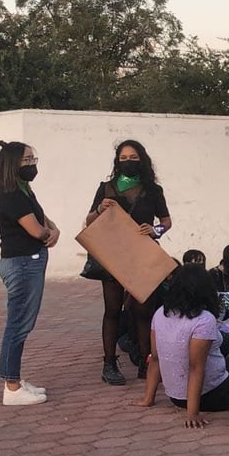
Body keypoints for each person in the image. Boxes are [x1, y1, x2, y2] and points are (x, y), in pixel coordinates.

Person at [86, 139, 171, 385]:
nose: (128, 162)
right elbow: (89, 221)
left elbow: (166, 221)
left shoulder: (153, 190)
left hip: (143, 254)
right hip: (112, 256)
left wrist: (155, 230)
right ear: (117, 161)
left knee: (143, 310)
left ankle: (146, 362)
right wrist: (100, 209)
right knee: (112, 309)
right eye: (123, 158)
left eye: (133, 157)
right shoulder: (106, 187)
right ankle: (110, 363)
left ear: (142, 159)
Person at [133, 265, 229, 428]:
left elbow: (155, 358)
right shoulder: (204, 320)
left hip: (175, 396)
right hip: (209, 394)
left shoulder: (161, 313)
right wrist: (192, 413)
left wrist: (148, 399)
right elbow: (196, 367)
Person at [0, 141, 60, 405]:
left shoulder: (23, 190)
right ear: (13, 164)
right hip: (22, 262)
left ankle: (16, 379)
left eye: (34, 159)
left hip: (27, 260)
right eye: (27, 160)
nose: (33, 165)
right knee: (18, 325)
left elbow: (44, 221)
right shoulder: (10, 194)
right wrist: (50, 234)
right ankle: (11, 387)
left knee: (22, 323)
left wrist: (53, 230)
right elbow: (36, 230)